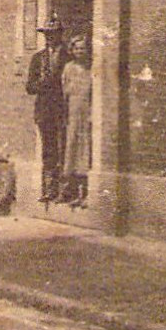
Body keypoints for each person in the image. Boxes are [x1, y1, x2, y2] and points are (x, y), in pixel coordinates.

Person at [26, 14, 70, 203]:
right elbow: (29, 87)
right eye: (47, 34)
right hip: (45, 110)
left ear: (61, 35)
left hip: (64, 109)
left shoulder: (69, 56)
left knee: (65, 148)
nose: (50, 37)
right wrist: (40, 83)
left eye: (54, 33)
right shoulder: (38, 59)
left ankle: (65, 189)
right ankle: (48, 188)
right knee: (48, 149)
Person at [61, 36, 92, 206]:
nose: (80, 51)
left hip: (86, 114)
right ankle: (71, 191)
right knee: (71, 148)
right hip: (73, 113)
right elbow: (64, 93)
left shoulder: (91, 68)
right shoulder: (68, 68)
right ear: (72, 51)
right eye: (77, 48)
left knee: (85, 150)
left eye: (83, 48)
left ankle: (85, 193)